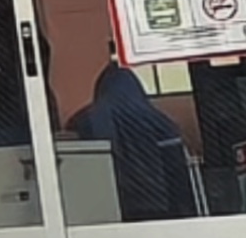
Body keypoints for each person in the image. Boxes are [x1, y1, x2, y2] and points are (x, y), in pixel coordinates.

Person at [69, 64, 196, 222]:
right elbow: (177, 174)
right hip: (159, 206)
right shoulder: (161, 124)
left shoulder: (86, 120)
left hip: (110, 207)